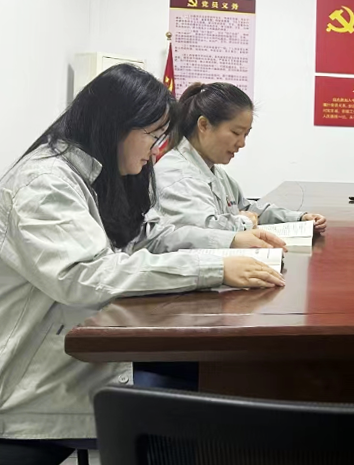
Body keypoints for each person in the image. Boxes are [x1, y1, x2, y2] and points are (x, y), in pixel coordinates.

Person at [0, 65, 286, 465]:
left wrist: (226, 248)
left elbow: (147, 237)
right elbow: (85, 276)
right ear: (115, 125)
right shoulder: (45, 183)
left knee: (220, 380)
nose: (156, 150)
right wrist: (212, 268)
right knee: (207, 413)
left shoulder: (100, 171)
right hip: (39, 381)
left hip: (85, 348)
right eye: (153, 135)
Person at [155, 82, 326, 233]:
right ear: (204, 125)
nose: (242, 143)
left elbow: (248, 209)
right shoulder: (176, 175)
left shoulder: (217, 174)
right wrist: (244, 221)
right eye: (236, 132)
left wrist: (298, 218)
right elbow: (202, 232)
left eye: (246, 134)